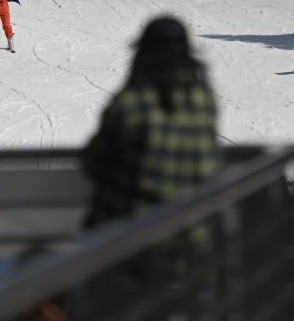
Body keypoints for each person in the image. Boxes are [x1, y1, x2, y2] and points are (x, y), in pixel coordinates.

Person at [82, 16, 218, 227]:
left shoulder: (133, 102)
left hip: (133, 231)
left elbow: (95, 161)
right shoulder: (202, 102)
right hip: (193, 227)